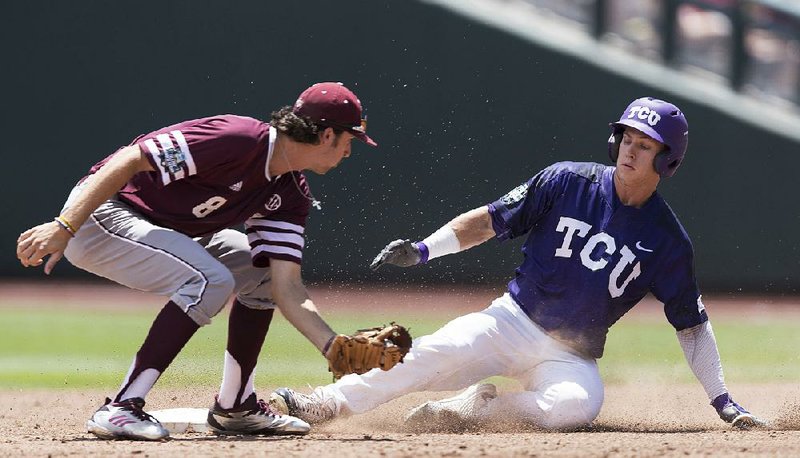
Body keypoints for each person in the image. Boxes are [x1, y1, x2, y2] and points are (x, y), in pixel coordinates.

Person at [269, 97, 766, 431]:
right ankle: (322, 404)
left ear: (667, 161)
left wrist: (722, 399)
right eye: (627, 140)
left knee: (578, 406)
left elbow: (691, 325)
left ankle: (479, 408)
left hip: (570, 356)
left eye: (645, 146)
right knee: (426, 356)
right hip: (509, 322)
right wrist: (424, 249)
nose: (630, 151)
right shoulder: (566, 181)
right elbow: (488, 221)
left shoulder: (668, 241)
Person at [15, 82, 378, 440]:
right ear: (328, 135)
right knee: (211, 280)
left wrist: (332, 346)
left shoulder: (289, 193)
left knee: (261, 271)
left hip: (165, 231)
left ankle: (236, 406)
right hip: (104, 216)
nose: (349, 152)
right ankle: (121, 408)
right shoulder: (238, 140)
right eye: (350, 140)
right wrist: (67, 224)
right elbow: (131, 158)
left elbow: (287, 286)